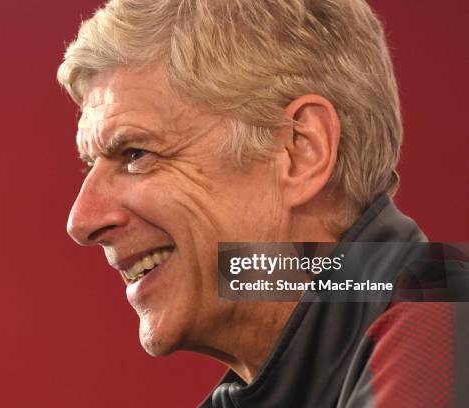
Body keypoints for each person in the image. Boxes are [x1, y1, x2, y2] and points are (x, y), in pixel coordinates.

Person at [59, 0, 469, 406]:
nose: (82, 220)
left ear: (299, 151)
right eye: (90, 166)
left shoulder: (446, 322)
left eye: (135, 153)